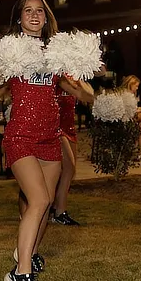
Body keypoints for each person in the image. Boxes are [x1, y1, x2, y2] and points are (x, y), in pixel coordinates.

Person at [0, 0, 95, 281]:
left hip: (50, 137)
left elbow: (78, 87)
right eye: (28, 10)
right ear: (19, 17)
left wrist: (86, 85)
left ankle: (28, 253)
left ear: (46, 17)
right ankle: (20, 274)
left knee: (45, 203)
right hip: (21, 136)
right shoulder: (9, 47)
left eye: (40, 11)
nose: (35, 15)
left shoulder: (54, 52)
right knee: (37, 201)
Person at [50, 80, 94, 226]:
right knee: (69, 168)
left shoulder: (73, 74)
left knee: (68, 171)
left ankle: (56, 208)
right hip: (55, 125)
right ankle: (58, 211)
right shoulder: (57, 73)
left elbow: (88, 94)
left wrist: (79, 78)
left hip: (69, 126)